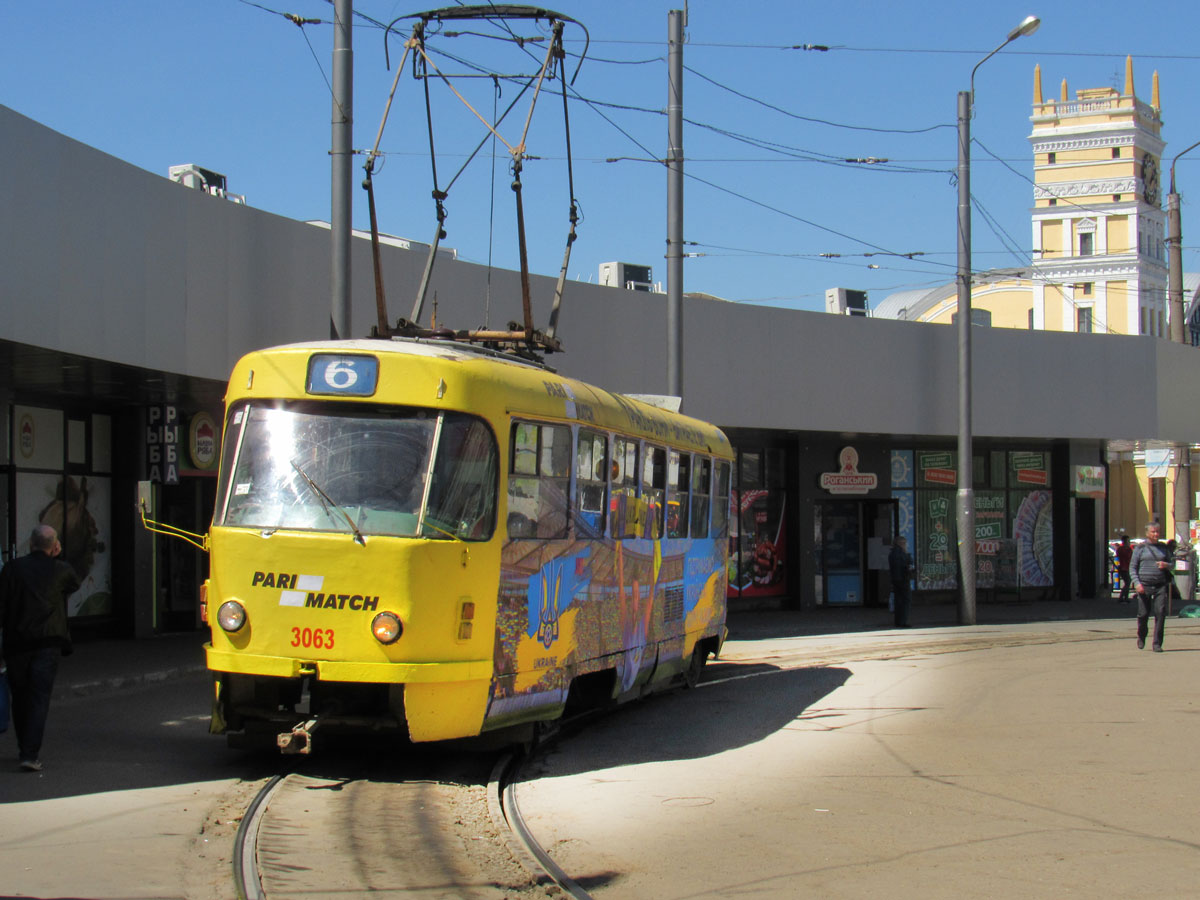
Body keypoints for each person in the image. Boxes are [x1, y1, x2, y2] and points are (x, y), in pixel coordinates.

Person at [0, 525, 81, 771]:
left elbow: (2, 604)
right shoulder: (61, 570)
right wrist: (57, 556)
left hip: (16, 643)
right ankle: (29, 753)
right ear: (54, 546)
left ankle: (24, 745)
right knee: (39, 697)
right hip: (48, 643)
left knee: (20, 695)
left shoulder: (12, 568)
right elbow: (74, 584)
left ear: (30, 543)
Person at [1131, 521, 1171, 653]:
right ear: (1147, 533)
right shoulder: (1140, 548)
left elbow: (1173, 564)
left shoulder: (1164, 548)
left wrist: (1166, 565)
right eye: (1153, 532)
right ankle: (1141, 636)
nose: (1156, 534)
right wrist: (1137, 583)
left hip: (1160, 585)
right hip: (1144, 585)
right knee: (1143, 614)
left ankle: (1157, 643)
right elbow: (1133, 567)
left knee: (1160, 613)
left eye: (1157, 531)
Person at [888, 536, 914, 628]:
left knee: (898, 600)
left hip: (896, 580)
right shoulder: (901, 554)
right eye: (905, 543)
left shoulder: (892, 553)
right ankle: (903, 621)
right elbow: (907, 565)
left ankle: (898, 621)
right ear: (901, 544)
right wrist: (908, 555)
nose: (906, 545)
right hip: (903, 580)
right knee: (905, 600)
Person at [1114, 534, 1133, 603]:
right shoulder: (1127, 549)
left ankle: (1124, 597)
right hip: (1125, 567)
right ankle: (1122, 597)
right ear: (1125, 541)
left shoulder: (1120, 549)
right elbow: (1129, 558)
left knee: (1127, 582)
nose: (1129, 542)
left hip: (1122, 567)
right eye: (1128, 541)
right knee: (1128, 582)